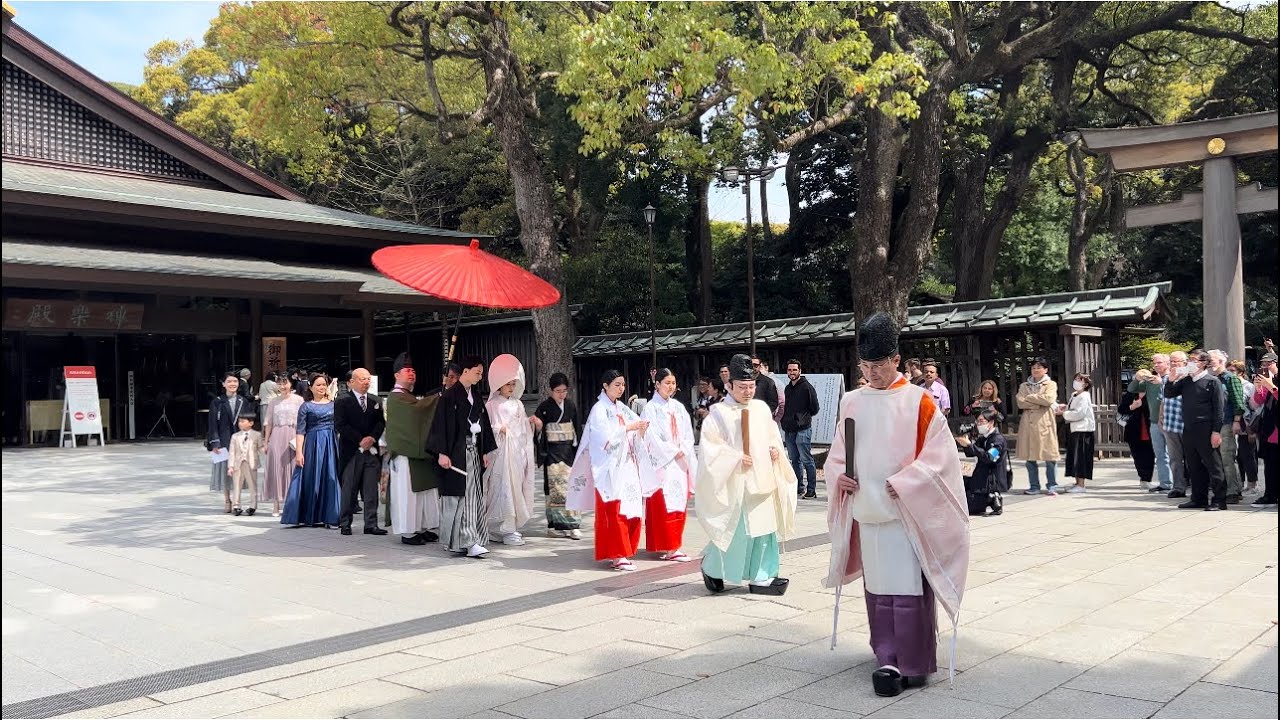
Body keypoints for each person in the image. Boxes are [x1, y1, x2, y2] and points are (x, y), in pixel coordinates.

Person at [823, 313, 969, 698]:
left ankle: (915, 661)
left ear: (896, 360)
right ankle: (885, 655)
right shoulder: (852, 402)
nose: (872, 373)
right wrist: (840, 476)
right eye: (866, 366)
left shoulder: (919, 402)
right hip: (867, 507)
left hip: (904, 508)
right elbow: (839, 453)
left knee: (907, 585)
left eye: (879, 365)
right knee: (879, 586)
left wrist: (905, 482)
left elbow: (941, 458)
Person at [696, 354, 797, 595]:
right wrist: (733, 458)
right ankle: (713, 569)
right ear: (729, 385)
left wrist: (775, 452)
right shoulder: (719, 413)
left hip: (763, 477)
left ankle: (762, 576)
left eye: (751, 386)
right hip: (737, 481)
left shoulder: (761, 408)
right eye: (742, 387)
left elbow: (773, 436)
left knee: (765, 529)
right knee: (737, 531)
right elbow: (710, 450)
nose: (748, 392)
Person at [567, 370, 652, 571]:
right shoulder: (599, 409)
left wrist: (640, 429)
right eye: (616, 385)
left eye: (623, 385)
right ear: (605, 386)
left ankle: (626, 550)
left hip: (626, 465)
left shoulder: (621, 408)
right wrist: (628, 428)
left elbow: (632, 429)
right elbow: (602, 440)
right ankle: (616, 554)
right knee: (615, 511)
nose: (621, 388)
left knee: (630, 509)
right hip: (610, 468)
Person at [428, 356, 497, 558]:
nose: (480, 375)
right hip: (457, 453)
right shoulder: (449, 397)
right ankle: (468, 541)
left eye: (481, 372)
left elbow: (483, 424)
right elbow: (440, 425)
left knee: (473, 496)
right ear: (465, 371)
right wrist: (442, 452)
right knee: (462, 497)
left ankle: (468, 540)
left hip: (473, 452)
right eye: (477, 371)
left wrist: (484, 450)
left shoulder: (475, 396)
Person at [382, 352, 441, 546]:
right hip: (406, 455)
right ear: (396, 375)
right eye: (407, 370)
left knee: (423, 493)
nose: (411, 373)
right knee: (408, 495)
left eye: (413, 370)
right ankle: (408, 531)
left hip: (417, 454)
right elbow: (418, 411)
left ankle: (422, 527)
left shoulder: (408, 397)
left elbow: (419, 407)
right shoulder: (396, 397)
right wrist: (438, 396)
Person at [641, 368, 697, 563]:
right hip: (663, 463)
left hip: (679, 462)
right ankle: (669, 546)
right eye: (667, 383)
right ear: (657, 384)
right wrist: (672, 450)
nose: (671, 387)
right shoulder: (651, 408)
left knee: (678, 502)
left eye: (673, 383)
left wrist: (684, 448)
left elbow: (688, 432)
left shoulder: (678, 407)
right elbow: (651, 436)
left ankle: (675, 544)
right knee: (663, 504)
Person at [483, 354, 537, 547]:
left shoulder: (518, 404)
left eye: (513, 384)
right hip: (500, 454)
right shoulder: (491, 405)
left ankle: (509, 527)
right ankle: (502, 529)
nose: (511, 388)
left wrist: (528, 424)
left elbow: (522, 427)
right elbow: (488, 428)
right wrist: (500, 429)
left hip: (515, 452)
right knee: (501, 488)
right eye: (508, 384)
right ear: (499, 385)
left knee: (515, 488)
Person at [1164, 350, 1226, 511]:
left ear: (1204, 362)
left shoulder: (1212, 381)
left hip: (1206, 428)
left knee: (1214, 465)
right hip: (1189, 428)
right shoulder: (1187, 381)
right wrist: (1171, 379)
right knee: (1193, 465)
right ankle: (1198, 498)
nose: (1190, 363)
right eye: (1189, 359)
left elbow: (1219, 410)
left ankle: (1219, 500)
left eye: (1194, 360)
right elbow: (1169, 393)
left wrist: (1216, 431)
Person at [282, 373, 341, 528]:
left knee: (331, 478)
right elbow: (300, 431)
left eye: (324, 384)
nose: (322, 387)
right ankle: (310, 515)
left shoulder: (335, 404)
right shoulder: (306, 406)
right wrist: (299, 452)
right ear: (310, 387)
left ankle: (332, 516)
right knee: (311, 478)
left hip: (331, 443)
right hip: (313, 444)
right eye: (318, 385)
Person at [335, 368, 386, 536]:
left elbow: (380, 423)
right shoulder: (342, 400)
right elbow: (340, 425)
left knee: (371, 489)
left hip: (371, 451)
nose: (366, 382)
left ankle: (371, 524)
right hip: (351, 450)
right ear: (353, 382)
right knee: (349, 488)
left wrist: (372, 437)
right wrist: (360, 440)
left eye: (368, 379)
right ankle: (345, 523)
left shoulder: (375, 400)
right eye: (362, 379)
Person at [534, 372, 582, 539]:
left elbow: (577, 430)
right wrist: (539, 428)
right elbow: (538, 432)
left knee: (571, 487)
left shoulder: (571, 406)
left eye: (564, 391)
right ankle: (554, 525)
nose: (561, 394)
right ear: (550, 391)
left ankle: (573, 524)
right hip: (551, 452)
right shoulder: (544, 408)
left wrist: (579, 452)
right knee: (554, 489)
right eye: (557, 391)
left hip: (568, 451)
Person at [1016, 357, 1060, 495]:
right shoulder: (1024, 385)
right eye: (1033, 368)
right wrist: (1038, 401)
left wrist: (1030, 398)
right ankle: (1034, 486)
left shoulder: (1050, 384)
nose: (1035, 370)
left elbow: (1049, 399)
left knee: (1050, 456)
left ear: (1045, 370)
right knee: (1030, 457)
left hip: (1044, 421)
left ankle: (1052, 485)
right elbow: (1020, 402)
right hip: (1028, 423)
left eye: (1039, 367)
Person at [1129, 353, 1172, 493]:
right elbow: (1131, 389)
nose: (1156, 365)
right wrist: (1137, 378)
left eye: (1159, 362)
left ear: (1167, 363)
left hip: (1171, 421)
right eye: (1155, 363)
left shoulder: (1173, 378)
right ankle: (1165, 483)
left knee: (1175, 455)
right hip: (1154, 421)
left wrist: (1162, 383)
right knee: (1160, 455)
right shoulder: (1150, 381)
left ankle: (1178, 484)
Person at [263, 374, 304, 517]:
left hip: (293, 434)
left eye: (285, 383)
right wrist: (266, 441)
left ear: (290, 383)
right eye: (279, 384)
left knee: (292, 468)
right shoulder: (273, 402)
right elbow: (268, 423)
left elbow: (303, 421)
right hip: (277, 435)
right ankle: (275, 504)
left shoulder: (299, 400)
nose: (282, 386)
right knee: (276, 468)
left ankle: (291, 503)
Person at [208, 371, 248, 513]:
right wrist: (214, 443)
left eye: (235, 381)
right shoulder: (217, 402)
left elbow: (248, 422)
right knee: (225, 473)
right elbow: (212, 424)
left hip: (240, 441)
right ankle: (227, 500)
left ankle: (237, 501)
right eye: (229, 381)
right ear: (223, 384)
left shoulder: (243, 401)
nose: (232, 384)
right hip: (223, 441)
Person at [1209, 350, 1245, 504]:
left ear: (1221, 361)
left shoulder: (1231, 379)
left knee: (1227, 457)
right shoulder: (1212, 379)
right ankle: (1228, 488)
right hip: (1214, 423)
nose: (1209, 362)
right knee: (1218, 459)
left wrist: (1236, 421)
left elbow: (1238, 402)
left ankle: (1233, 491)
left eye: (1212, 360)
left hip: (1227, 422)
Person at [955, 409, 1008, 516]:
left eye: (981, 421)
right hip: (981, 479)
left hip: (991, 481)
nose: (978, 424)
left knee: (966, 508)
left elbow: (990, 457)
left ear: (991, 422)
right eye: (977, 422)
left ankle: (992, 498)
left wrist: (970, 445)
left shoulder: (998, 440)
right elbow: (971, 453)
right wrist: (966, 444)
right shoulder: (984, 438)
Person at [781, 359, 820, 499]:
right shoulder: (787, 388)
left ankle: (811, 489)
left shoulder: (807, 387)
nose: (792, 372)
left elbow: (815, 408)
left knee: (806, 459)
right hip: (789, 428)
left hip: (803, 428)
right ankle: (798, 488)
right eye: (790, 370)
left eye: (794, 370)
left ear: (800, 371)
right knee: (794, 459)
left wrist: (802, 418)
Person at [1057, 372, 1096, 493]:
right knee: (1074, 456)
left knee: (1081, 457)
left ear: (1085, 384)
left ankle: (1081, 484)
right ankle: (1076, 482)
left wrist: (1063, 413)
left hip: (1083, 430)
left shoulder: (1084, 396)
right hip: (1074, 429)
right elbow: (1072, 409)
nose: (1077, 382)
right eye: (1076, 379)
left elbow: (1080, 413)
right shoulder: (1074, 394)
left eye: (1080, 380)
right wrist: (1065, 408)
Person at [1249, 351, 1277, 508]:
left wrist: (1270, 385)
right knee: (1269, 463)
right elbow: (1258, 401)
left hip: (1276, 429)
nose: (1265, 367)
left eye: (1269, 364)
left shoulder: (1273, 381)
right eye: (1263, 364)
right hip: (1268, 427)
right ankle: (1270, 495)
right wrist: (1258, 387)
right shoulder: (1268, 380)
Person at [1118, 375, 1156, 488]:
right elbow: (1121, 409)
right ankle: (1142, 478)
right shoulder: (1130, 395)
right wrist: (1132, 407)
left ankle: (1147, 478)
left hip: (1149, 428)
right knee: (1137, 456)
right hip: (1134, 430)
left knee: (1149, 455)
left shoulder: (1152, 394)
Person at [1162, 351, 1190, 499]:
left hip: (1187, 424)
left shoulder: (1190, 378)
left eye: (1176, 361)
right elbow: (1163, 400)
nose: (1173, 364)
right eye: (1171, 361)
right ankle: (1178, 487)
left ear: (1185, 363)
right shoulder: (1166, 378)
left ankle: (1198, 486)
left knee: (1193, 459)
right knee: (1174, 458)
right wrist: (1161, 418)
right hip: (1170, 423)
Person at [228, 409, 263, 516]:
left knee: (252, 484)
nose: (240, 424)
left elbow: (260, 448)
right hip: (238, 463)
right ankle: (236, 506)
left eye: (243, 421)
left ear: (251, 423)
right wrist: (230, 466)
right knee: (237, 484)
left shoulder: (257, 435)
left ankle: (253, 506)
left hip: (251, 462)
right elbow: (232, 452)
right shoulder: (235, 436)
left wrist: (265, 449)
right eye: (239, 421)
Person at [1231, 359, 1259, 494]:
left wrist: (1251, 429)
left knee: (1247, 455)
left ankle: (1252, 483)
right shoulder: (1226, 384)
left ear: (1241, 373)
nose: (1230, 373)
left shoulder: (1248, 386)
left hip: (1246, 424)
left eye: (1233, 371)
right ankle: (1239, 482)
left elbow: (1254, 408)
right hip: (1230, 425)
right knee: (1237, 456)